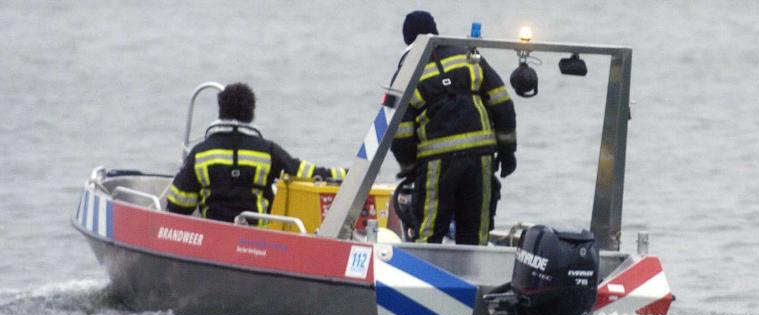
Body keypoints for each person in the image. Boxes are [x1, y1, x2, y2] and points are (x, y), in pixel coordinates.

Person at [390, 11, 517, 245]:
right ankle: (475, 268)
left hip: (437, 162)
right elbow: (502, 103)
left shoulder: (406, 73)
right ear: (436, 30)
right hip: (480, 157)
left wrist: (409, 168)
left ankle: (425, 269)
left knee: (428, 233)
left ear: (407, 38)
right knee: (475, 234)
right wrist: (508, 152)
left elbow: (400, 131)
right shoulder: (468, 55)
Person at [166, 82, 346, 224]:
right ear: (251, 112)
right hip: (259, 240)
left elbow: (178, 205)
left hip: (214, 235)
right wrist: (347, 174)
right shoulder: (268, 151)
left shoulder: (200, 153)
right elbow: (306, 173)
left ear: (220, 110)